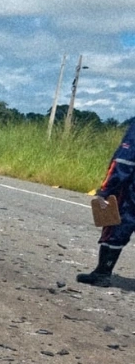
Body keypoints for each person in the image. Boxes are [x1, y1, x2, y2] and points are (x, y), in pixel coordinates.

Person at [76, 120, 135, 286]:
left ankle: (102, 273)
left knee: (116, 227)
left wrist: (106, 190)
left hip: (131, 193)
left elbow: (124, 162)